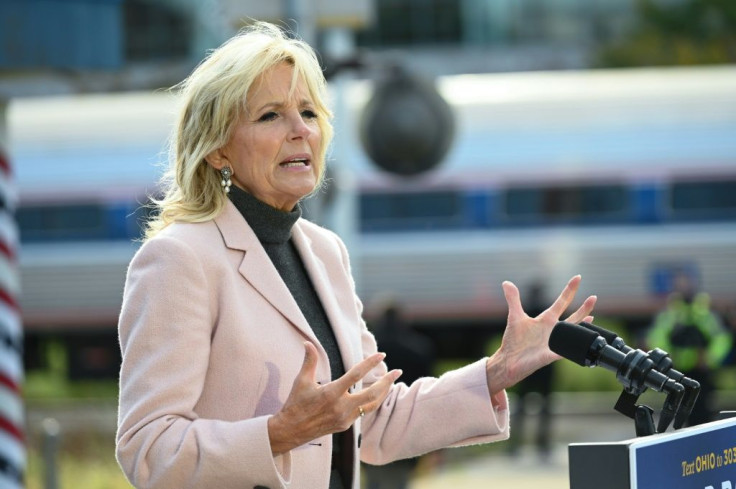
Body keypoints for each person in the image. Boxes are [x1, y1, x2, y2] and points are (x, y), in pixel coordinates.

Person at [115, 22, 597, 489]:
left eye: (308, 113)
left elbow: (376, 418)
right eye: (270, 115)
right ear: (218, 150)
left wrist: (497, 371)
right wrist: (281, 433)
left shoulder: (324, 252)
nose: (300, 130)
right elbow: (148, 451)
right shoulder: (179, 260)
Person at [362, 297, 436, 489]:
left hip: (371, 428)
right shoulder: (419, 349)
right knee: (400, 482)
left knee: (373, 482)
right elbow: (429, 393)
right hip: (406, 428)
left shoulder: (368, 352)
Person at [645, 271, 732, 426]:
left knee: (704, 415)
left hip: (702, 372)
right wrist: (668, 357)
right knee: (679, 416)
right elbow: (657, 336)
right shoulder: (672, 313)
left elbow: (721, 338)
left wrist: (710, 358)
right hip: (677, 372)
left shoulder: (703, 312)